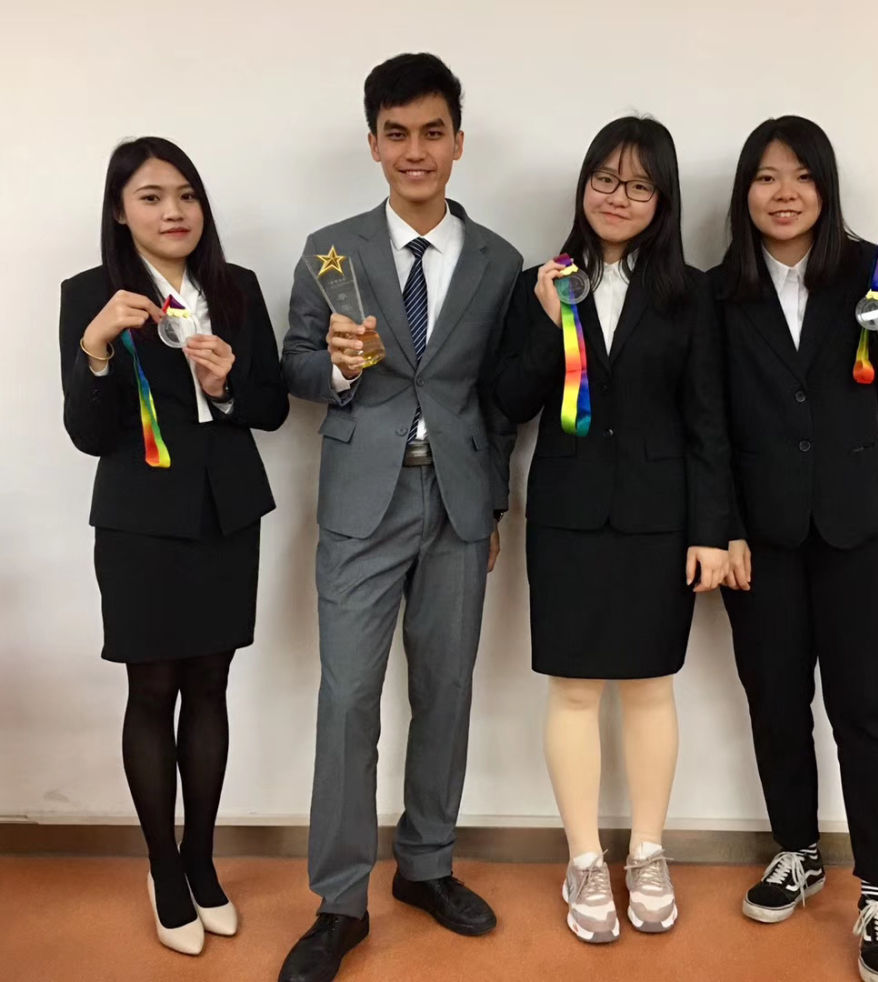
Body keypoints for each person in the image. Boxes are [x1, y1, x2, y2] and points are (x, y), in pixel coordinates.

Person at [278, 53, 522, 982]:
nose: (414, 151)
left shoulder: (499, 261)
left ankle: (426, 865)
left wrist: (492, 502)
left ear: (458, 141)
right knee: (347, 699)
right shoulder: (330, 250)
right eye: (396, 133)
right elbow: (295, 365)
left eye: (431, 132)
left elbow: (499, 398)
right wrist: (338, 368)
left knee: (446, 690)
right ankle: (340, 901)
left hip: (456, 503)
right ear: (373, 143)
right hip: (359, 504)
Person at [493, 116, 730, 944]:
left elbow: (708, 420)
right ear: (583, 186)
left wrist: (712, 530)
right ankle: (586, 858)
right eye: (604, 179)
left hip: (660, 520)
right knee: (573, 689)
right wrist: (543, 322)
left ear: (663, 200)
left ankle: (650, 851)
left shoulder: (691, 293)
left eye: (638, 185)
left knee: (651, 686)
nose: (617, 197)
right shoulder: (540, 283)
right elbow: (508, 400)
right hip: (567, 514)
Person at [711, 115, 878, 982]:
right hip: (762, 537)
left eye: (802, 176)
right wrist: (723, 527)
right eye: (767, 177)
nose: (785, 193)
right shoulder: (718, 293)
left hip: (865, 525)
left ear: (826, 187)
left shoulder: (871, 272)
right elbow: (708, 427)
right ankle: (798, 852)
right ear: (746, 191)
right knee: (775, 702)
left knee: (866, 709)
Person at [58, 137, 288, 955]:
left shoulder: (237, 288)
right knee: (152, 690)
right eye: (151, 197)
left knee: (211, 685)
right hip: (139, 522)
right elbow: (89, 435)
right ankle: (162, 869)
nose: (174, 211)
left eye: (186, 194)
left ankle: (200, 860)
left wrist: (226, 388)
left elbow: (272, 408)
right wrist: (93, 351)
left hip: (226, 513)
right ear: (121, 212)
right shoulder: (91, 295)